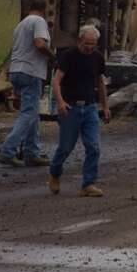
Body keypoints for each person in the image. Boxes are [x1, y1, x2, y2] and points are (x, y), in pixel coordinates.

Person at [48, 24, 110, 197]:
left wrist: (104, 106)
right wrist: (60, 103)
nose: (89, 47)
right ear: (79, 41)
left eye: (93, 44)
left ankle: (88, 184)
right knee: (66, 147)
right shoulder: (68, 56)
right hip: (70, 108)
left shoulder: (97, 58)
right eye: (86, 43)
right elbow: (56, 81)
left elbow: (100, 82)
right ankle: (54, 173)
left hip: (90, 108)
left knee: (94, 147)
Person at [0, 0, 54, 167]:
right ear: (43, 10)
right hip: (31, 72)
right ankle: (8, 150)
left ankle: (32, 152)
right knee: (29, 113)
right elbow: (39, 43)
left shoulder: (20, 25)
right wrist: (53, 57)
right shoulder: (39, 21)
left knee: (32, 112)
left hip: (16, 71)